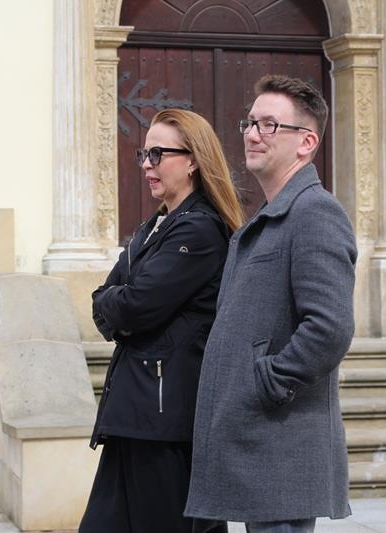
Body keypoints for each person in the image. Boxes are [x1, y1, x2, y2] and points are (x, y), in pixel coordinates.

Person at [185, 75, 358, 532]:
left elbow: (330, 327)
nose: (252, 134)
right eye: (250, 122)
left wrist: (268, 381)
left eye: (269, 125)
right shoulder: (270, 217)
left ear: (306, 143)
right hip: (253, 441)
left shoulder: (316, 212)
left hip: (280, 444)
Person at [80, 109, 245, 533]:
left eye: (158, 154)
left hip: (164, 419)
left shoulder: (199, 231)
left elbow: (134, 305)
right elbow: (103, 300)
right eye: (144, 154)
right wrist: (117, 304)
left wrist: (119, 305)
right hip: (135, 412)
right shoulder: (155, 226)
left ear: (192, 161)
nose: (147, 165)